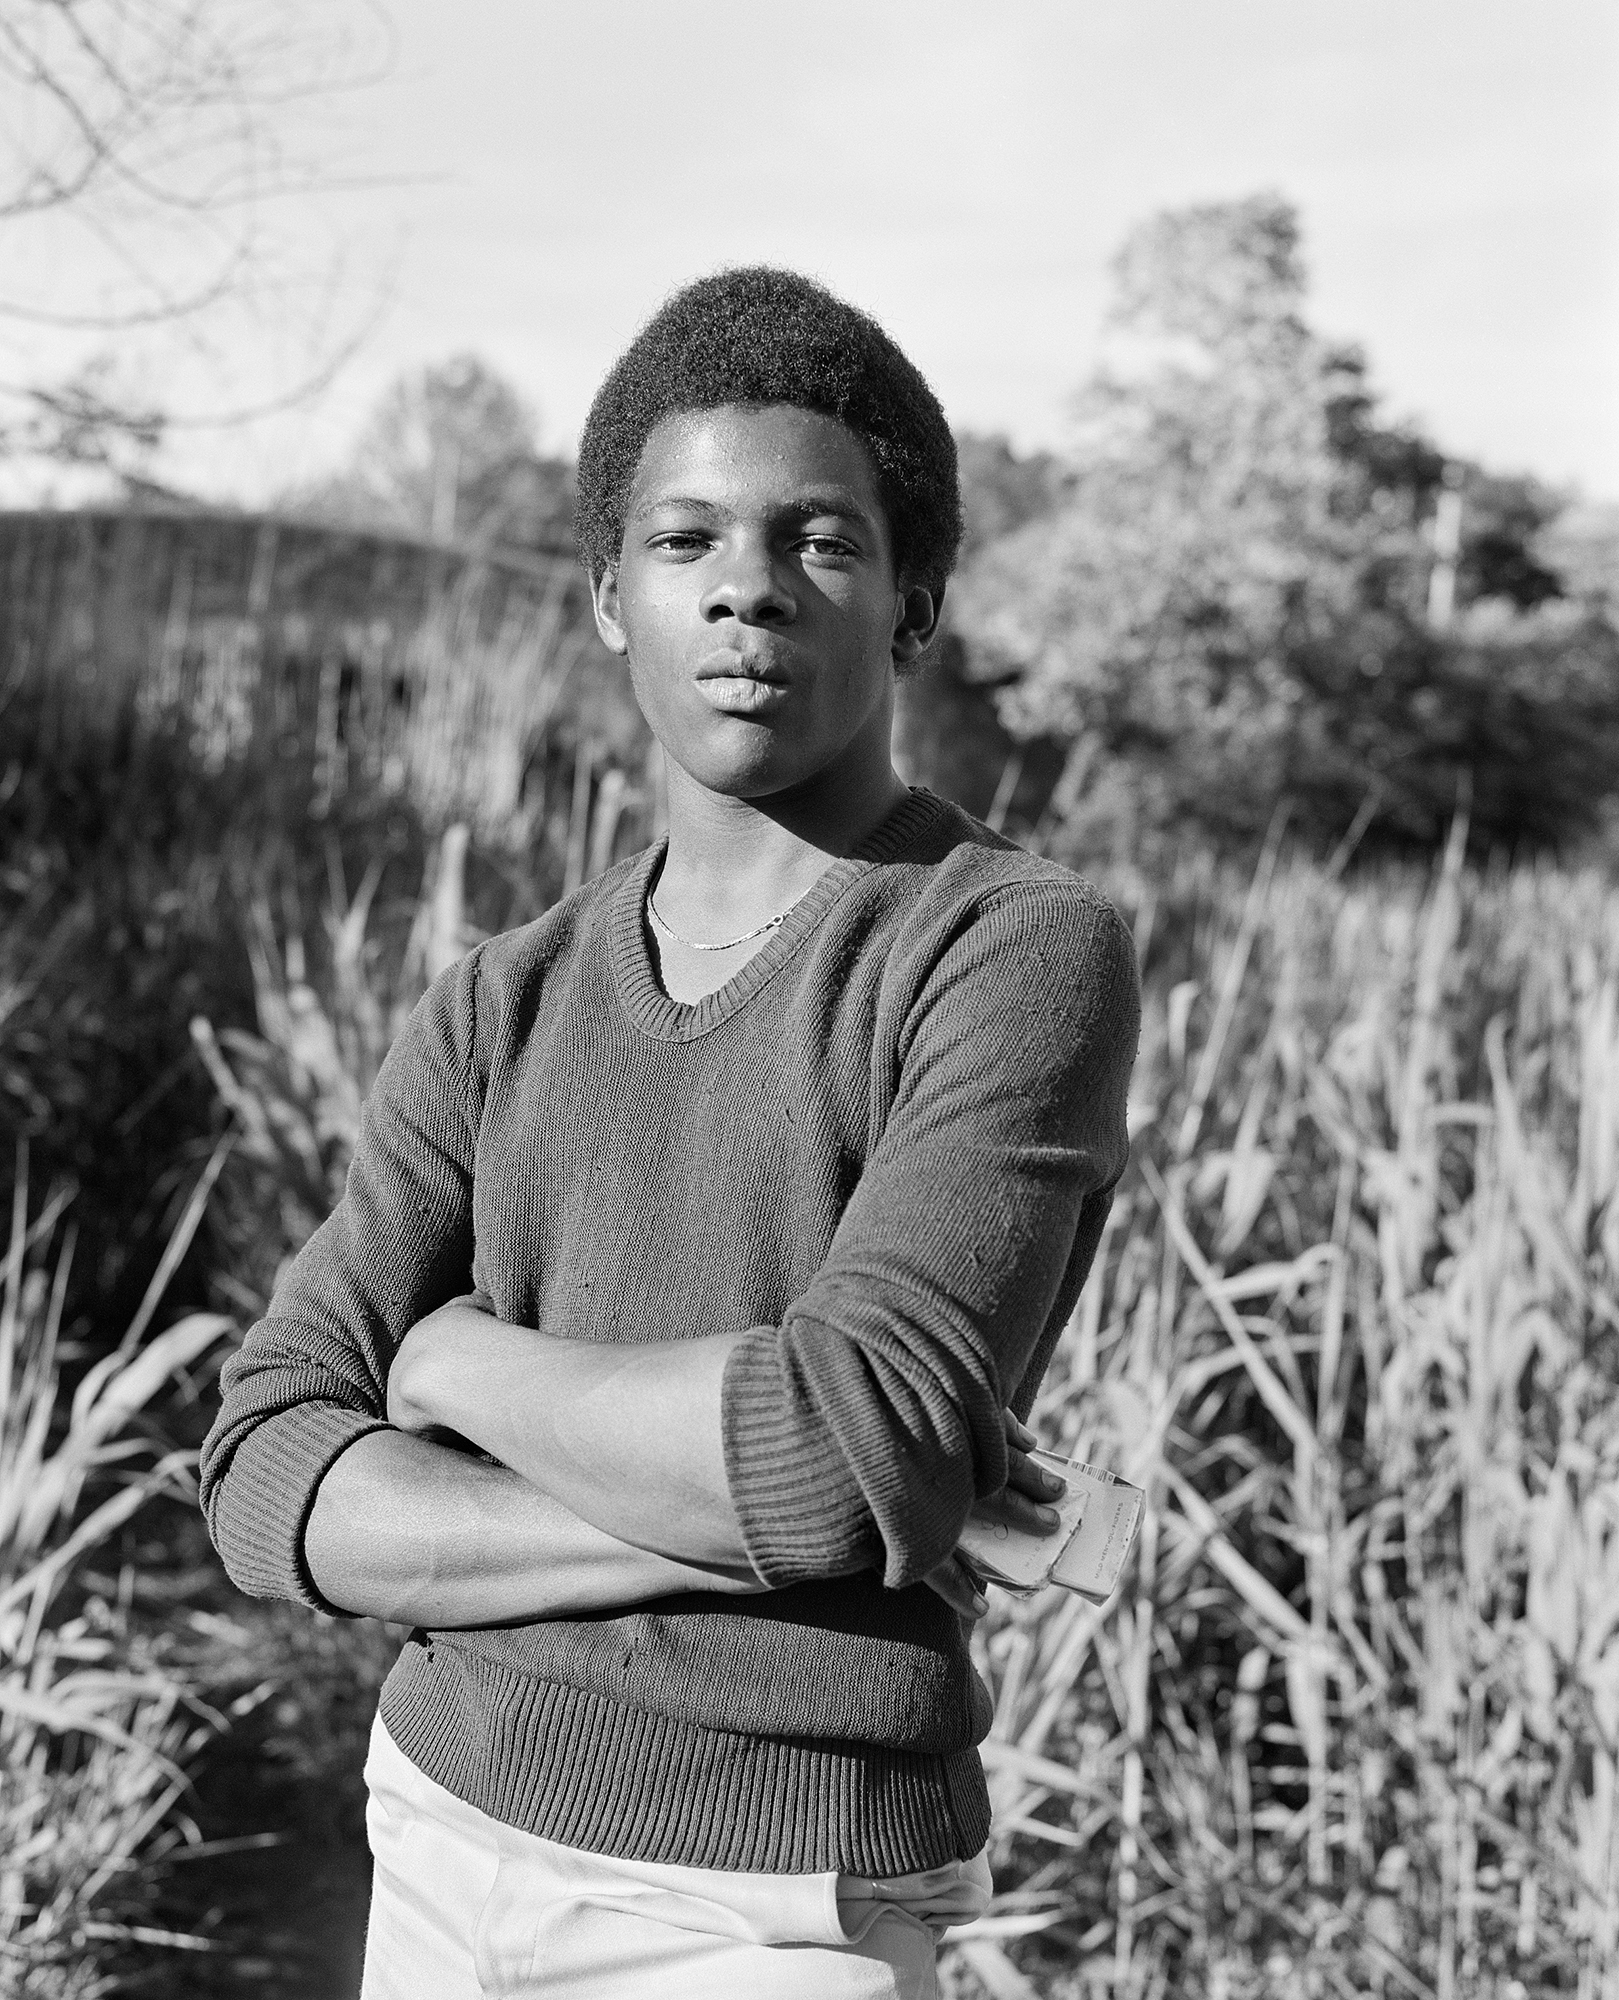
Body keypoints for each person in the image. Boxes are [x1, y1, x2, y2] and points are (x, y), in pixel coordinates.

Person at [199, 267, 1140, 1999]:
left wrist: (457, 1366)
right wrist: (842, 1507)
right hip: (435, 1828)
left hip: (769, 1903)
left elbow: (851, 1448)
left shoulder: (1004, 946)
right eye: (688, 539)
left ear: (916, 602)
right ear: (610, 599)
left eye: (822, 544)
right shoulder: (504, 998)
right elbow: (264, 1475)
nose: (749, 593)